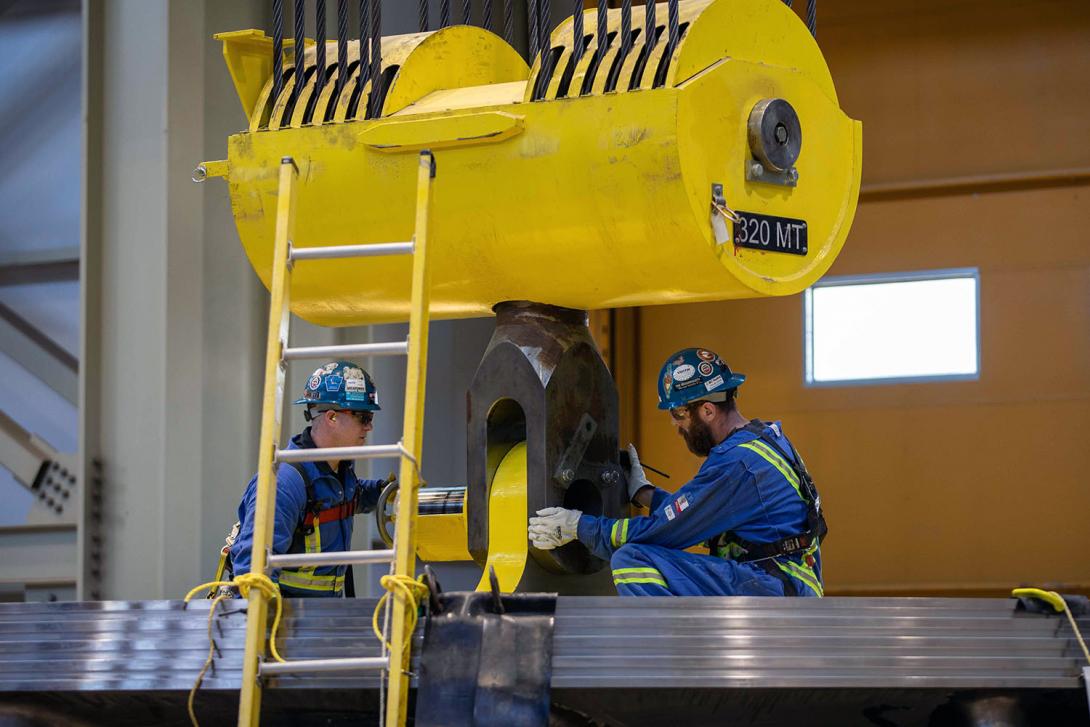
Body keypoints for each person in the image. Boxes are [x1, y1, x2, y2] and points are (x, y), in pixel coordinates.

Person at [528, 347, 826, 597]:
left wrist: (579, 526)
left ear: (707, 411)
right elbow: (700, 512)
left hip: (776, 586)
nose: (676, 426)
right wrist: (644, 493)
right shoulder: (761, 440)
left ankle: (673, 661)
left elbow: (666, 532)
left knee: (634, 560)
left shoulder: (737, 463)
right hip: (782, 580)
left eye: (679, 414)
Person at [226, 360, 389, 597]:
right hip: (287, 623)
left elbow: (352, 495)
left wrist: (388, 491)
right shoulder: (285, 483)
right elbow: (253, 576)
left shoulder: (338, 473)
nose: (370, 427)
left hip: (319, 617)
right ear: (331, 417)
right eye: (363, 417)